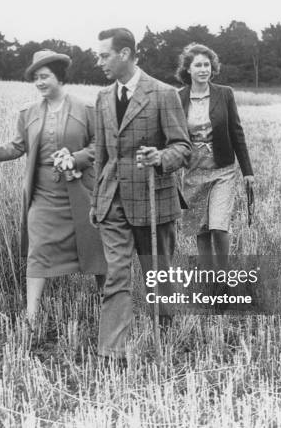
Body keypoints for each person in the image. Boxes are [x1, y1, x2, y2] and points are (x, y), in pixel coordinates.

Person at [0, 50, 106, 328]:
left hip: (81, 192)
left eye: (45, 76)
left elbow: (99, 146)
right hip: (42, 195)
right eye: (36, 78)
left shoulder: (86, 109)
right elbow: (16, 147)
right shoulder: (27, 113)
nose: (40, 83)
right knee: (38, 250)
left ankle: (108, 303)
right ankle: (31, 316)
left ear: (59, 77)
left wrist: (76, 158)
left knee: (95, 248)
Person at [90, 28, 192, 361]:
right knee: (116, 275)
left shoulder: (163, 94)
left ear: (125, 54)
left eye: (104, 55)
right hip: (113, 200)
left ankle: (166, 331)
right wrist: (96, 201)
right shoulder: (103, 97)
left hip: (153, 199)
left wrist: (161, 157)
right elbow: (102, 155)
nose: (99, 61)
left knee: (158, 274)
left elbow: (183, 148)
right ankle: (112, 353)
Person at [176, 43, 255, 278]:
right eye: (198, 65)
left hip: (223, 170)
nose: (203, 69)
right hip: (193, 172)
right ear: (188, 70)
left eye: (207, 65)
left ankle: (223, 276)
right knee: (201, 229)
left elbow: (237, 132)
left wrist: (248, 171)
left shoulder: (225, 93)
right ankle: (209, 278)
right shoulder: (178, 98)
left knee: (219, 227)